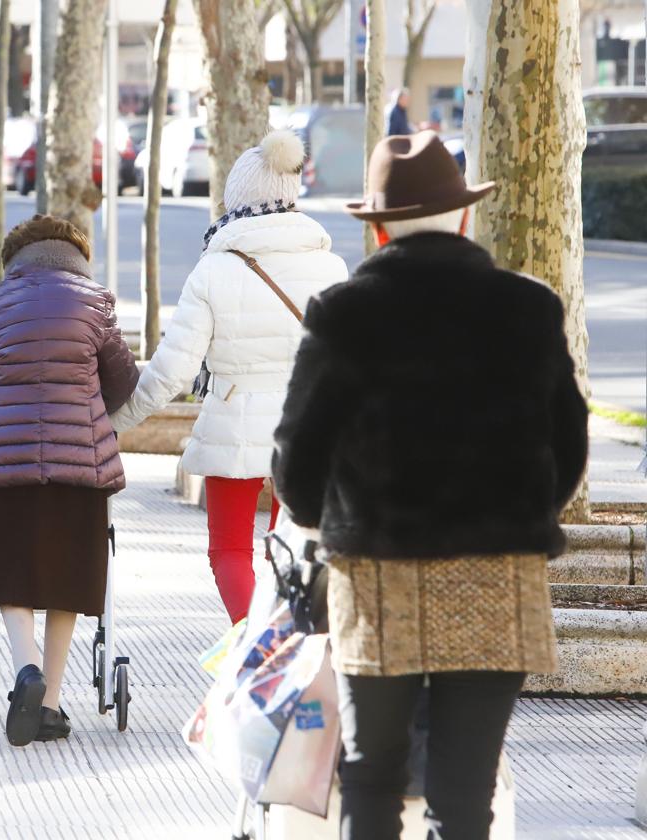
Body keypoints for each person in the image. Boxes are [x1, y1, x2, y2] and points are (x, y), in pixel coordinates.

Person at [271, 131, 589, 839]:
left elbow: (297, 456)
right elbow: (569, 448)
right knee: (464, 793)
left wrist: (325, 524)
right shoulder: (529, 309)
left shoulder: (343, 312)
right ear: (465, 217)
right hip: (499, 576)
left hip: (378, 577)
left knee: (372, 775)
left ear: (377, 227)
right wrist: (521, 517)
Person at [110, 130, 347, 625]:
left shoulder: (215, 269)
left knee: (230, 551)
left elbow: (172, 370)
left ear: (236, 197)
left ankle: (251, 653)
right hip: (310, 431)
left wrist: (113, 423)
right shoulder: (331, 266)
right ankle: (294, 655)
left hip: (233, 423)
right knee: (296, 552)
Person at [0, 214, 139, 747]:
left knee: (10, 569)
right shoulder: (96, 305)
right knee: (66, 579)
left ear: (16, 261)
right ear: (77, 258)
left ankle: (25, 669)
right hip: (80, 466)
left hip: (1, 464)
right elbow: (123, 383)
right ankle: (49, 703)